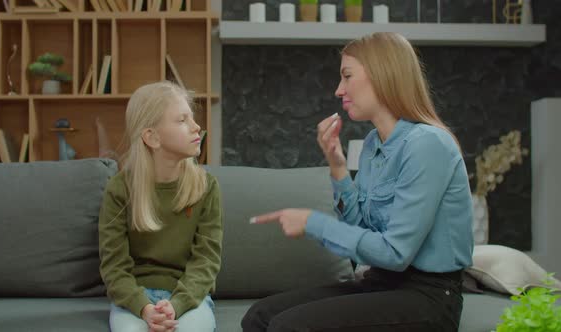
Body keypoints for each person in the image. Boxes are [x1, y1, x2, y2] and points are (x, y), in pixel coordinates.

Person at [243, 32, 474, 332]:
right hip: (381, 282)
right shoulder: (372, 144)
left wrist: (314, 222)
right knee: (258, 316)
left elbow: (394, 253)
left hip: (429, 296)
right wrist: (338, 166)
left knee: (288, 326)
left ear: (382, 75)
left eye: (347, 76)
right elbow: (362, 233)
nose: (339, 90)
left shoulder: (427, 144)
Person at [98, 81, 223, 332]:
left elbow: (206, 261)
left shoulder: (206, 187)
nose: (196, 126)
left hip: (187, 298)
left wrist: (176, 305)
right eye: (181, 120)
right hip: (134, 300)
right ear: (151, 137)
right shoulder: (119, 189)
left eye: (192, 118)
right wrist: (143, 307)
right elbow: (114, 267)